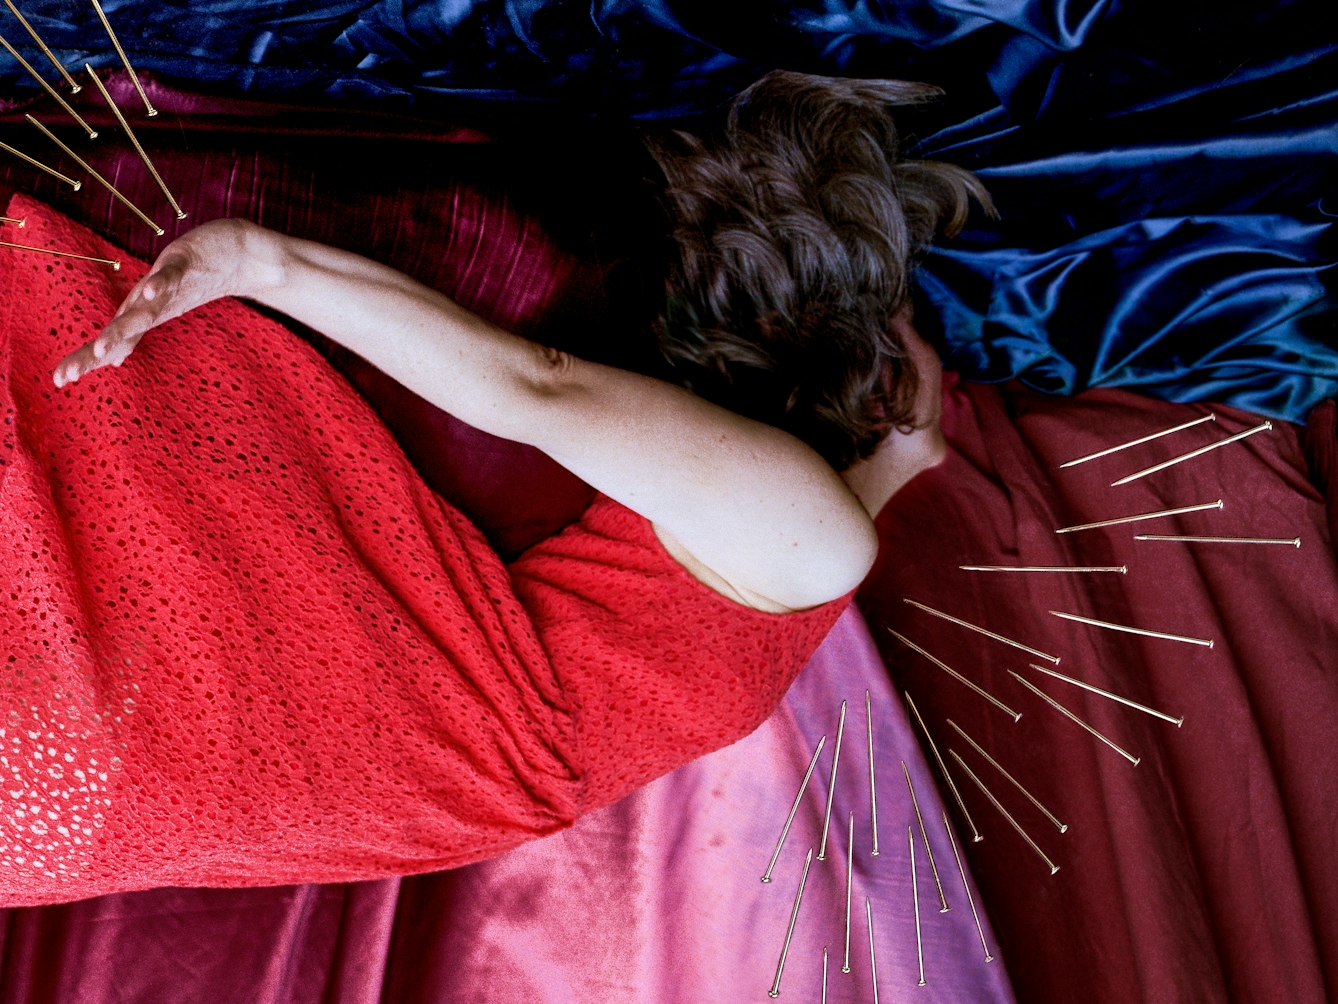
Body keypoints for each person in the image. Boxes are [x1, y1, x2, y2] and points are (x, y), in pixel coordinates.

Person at [2, 71, 986, 905]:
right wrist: (903, 445)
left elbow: (536, 386)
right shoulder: (804, 550)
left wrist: (272, 262)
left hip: (424, 729)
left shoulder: (812, 536)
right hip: (366, 779)